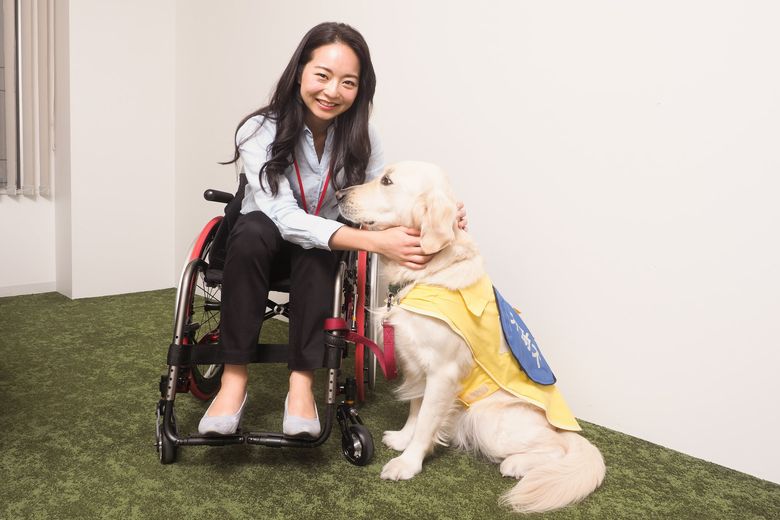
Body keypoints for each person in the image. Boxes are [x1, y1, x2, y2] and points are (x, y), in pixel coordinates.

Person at [198, 22, 466, 437]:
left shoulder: (363, 138)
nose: (332, 91)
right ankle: (233, 382)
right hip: (257, 240)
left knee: (319, 248)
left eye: (348, 82)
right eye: (322, 75)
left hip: (319, 247)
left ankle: (301, 386)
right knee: (256, 230)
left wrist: (441, 216)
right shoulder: (258, 129)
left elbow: (383, 203)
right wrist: (372, 240)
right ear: (300, 72)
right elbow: (282, 215)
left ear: (360, 89)